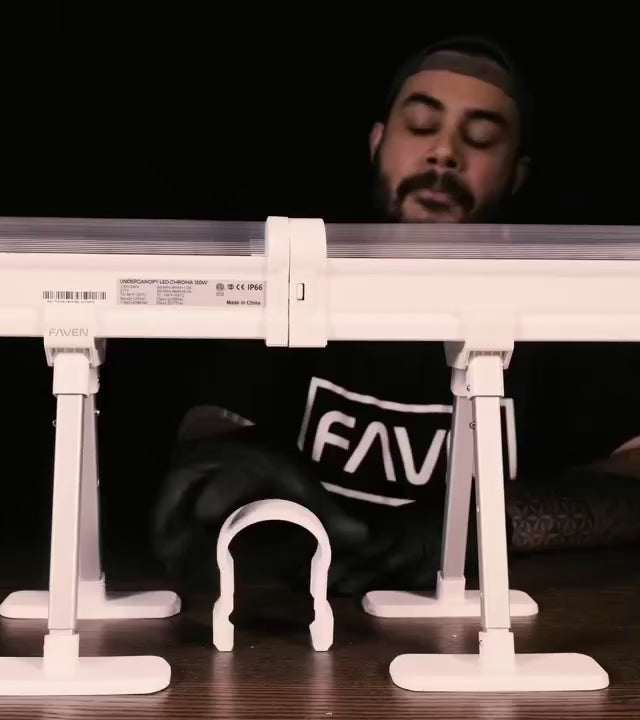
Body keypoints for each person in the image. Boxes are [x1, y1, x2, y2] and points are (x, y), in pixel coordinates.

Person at [151, 35, 640, 596]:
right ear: (378, 142)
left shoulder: (565, 302)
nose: (445, 153)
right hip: (312, 627)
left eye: (481, 137)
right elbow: (213, 424)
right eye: (422, 126)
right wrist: (237, 469)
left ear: (516, 174)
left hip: (496, 628)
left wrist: (469, 527)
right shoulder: (296, 275)